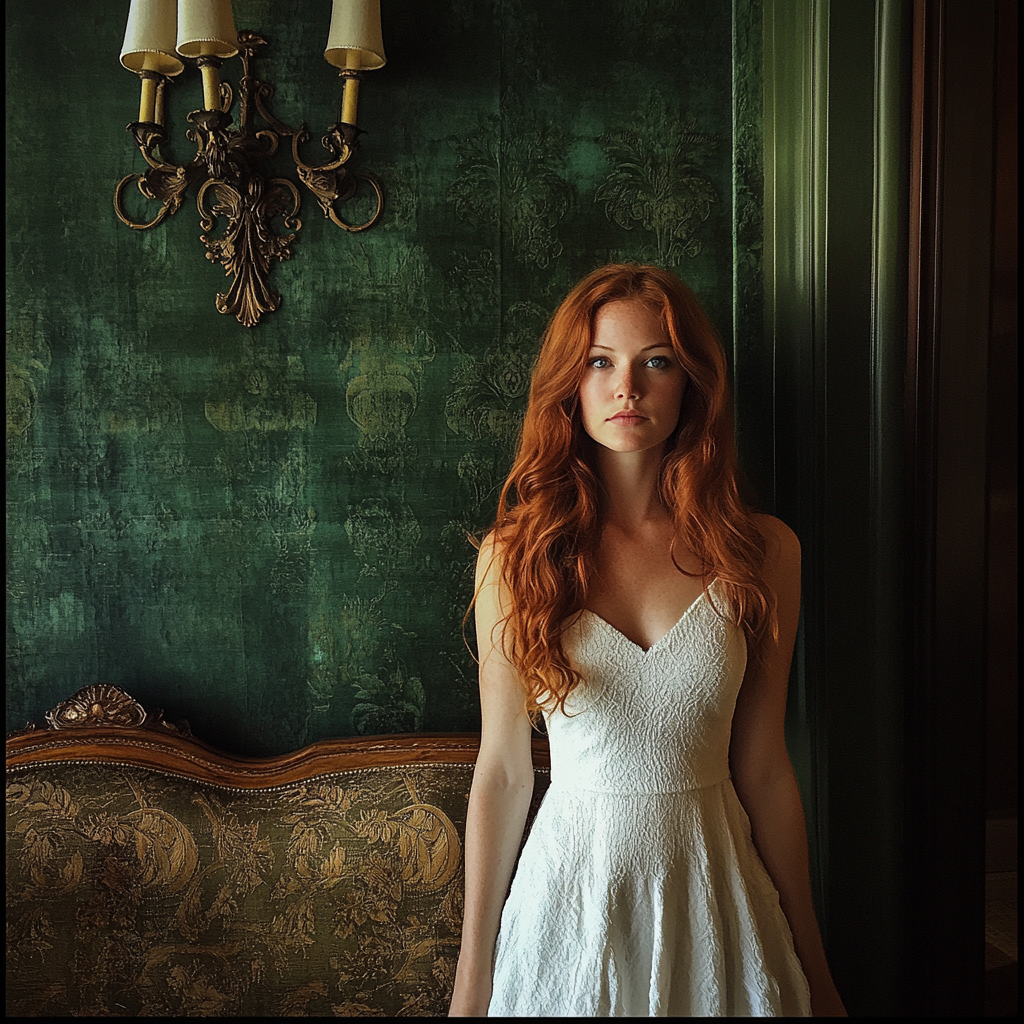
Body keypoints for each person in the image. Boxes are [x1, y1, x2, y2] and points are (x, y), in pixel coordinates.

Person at [448, 264, 847, 1017]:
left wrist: (816, 970)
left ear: (690, 383)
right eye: (600, 362)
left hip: (716, 896)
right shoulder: (515, 556)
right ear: (571, 381)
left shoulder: (763, 554)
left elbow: (764, 769)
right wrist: (472, 986)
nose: (625, 387)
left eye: (655, 362)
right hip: (570, 902)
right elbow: (502, 773)